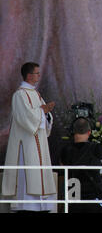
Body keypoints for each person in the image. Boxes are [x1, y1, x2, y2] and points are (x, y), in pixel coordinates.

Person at [1, 62, 57, 212]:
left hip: (38, 141)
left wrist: (46, 115)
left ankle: (41, 206)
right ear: (29, 75)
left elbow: (41, 116)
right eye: (37, 73)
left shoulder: (36, 94)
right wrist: (42, 111)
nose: (39, 76)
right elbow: (25, 118)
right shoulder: (20, 95)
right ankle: (26, 206)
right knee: (28, 173)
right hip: (26, 144)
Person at [60, 117, 102, 213]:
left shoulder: (65, 151)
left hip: (73, 198)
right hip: (93, 197)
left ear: (73, 132)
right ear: (89, 132)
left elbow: (62, 169)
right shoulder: (96, 148)